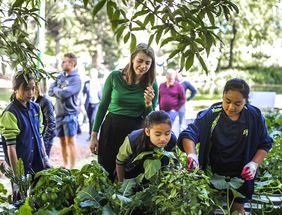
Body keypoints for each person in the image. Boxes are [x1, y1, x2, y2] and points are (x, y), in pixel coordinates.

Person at [177, 78, 273, 214]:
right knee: (207, 208)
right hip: (212, 174)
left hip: (241, 176)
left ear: (246, 100)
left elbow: (265, 143)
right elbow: (190, 133)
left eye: (238, 103)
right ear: (222, 96)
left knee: (238, 210)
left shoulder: (254, 116)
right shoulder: (213, 113)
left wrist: (254, 164)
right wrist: (192, 155)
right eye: (227, 101)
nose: (231, 107)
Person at [89, 43, 158, 181]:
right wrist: (94, 135)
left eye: (147, 63)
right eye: (140, 61)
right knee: (106, 172)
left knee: (131, 174)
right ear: (132, 59)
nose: (143, 66)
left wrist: (148, 103)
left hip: (135, 132)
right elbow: (103, 106)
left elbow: (150, 118)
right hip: (112, 127)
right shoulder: (115, 76)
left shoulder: (151, 83)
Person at [0, 73, 51, 200]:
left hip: (36, 161)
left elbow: (39, 136)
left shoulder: (36, 108)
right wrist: (18, 175)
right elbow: (11, 147)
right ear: (15, 89)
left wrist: (45, 158)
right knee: (20, 202)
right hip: (19, 165)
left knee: (38, 199)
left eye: (33, 88)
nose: (31, 92)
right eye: (26, 89)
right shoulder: (10, 113)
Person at [116, 111, 177, 182]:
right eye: (158, 134)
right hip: (133, 175)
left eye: (167, 133)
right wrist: (121, 183)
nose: (163, 139)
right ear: (147, 132)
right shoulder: (133, 140)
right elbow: (120, 161)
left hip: (160, 177)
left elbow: (174, 161)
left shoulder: (172, 140)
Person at [48, 53, 82, 169]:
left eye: (65, 61)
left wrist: (59, 91)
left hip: (70, 114)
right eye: (63, 61)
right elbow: (50, 91)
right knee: (62, 141)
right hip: (58, 114)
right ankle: (65, 165)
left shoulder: (76, 79)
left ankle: (73, 167)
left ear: (72, 63)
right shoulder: (59, 77)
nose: (63, 63)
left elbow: (65, 93)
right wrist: (60, 91)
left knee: (70, 141)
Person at [34, 81, 56, 157]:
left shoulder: (45, 101)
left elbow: (51, 123)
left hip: (45, 137)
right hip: (38, 137)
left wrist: (43, 141)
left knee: (44, 162)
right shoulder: (33, 100)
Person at [82, 68, 101, 140]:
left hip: (97, 104)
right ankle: (90, 135)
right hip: (88, 104)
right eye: (91, 73)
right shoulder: (87, 82)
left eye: (93, 73)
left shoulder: (99, 83)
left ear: (96, 74)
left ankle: (94, 136)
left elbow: (102, 94)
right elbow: (83, 93)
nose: (92, 75)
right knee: (90, 120)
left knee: (93, 120)